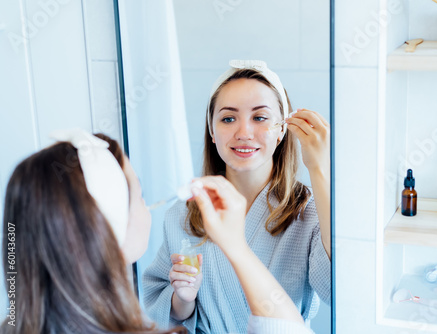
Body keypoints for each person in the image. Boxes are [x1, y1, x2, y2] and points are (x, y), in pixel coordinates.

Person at [1, 129, 312, 334]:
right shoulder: (179, 219)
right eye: (139, 195)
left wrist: (184, 299)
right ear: (105, 230)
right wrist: (236, 247)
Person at [143, 60, 331, 333]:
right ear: (212, 130)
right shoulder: (183, 216)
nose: (243, 133)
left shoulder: (309, 210)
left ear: (281, 130)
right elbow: (160, 307)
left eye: (260, 117)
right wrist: (183, 300)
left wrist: (318, 170)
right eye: (228, 118)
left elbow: (335, 292)